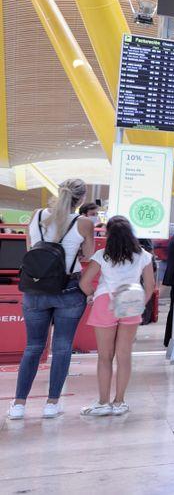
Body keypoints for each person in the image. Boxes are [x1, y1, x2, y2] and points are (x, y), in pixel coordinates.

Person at [8, 179, 92, 421]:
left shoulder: (35, 215)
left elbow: (30, 249)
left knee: (33, 347)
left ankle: (18, 405)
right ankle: (51, 404)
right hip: (68, 291)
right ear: (82, 199)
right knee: (62, 346)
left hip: (35, 291)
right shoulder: (83, 223)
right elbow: (86, 255)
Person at [77, 216, 156, 416]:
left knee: (105, 357)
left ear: (109, 234)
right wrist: (140, 304)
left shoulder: (102, 255)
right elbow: (150, 285)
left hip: (105, 302)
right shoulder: (143, 255)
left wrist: (91, 296)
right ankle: (119, 402)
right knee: (124, 355)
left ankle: (103, 402)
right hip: (131, 301)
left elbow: (85, 282)